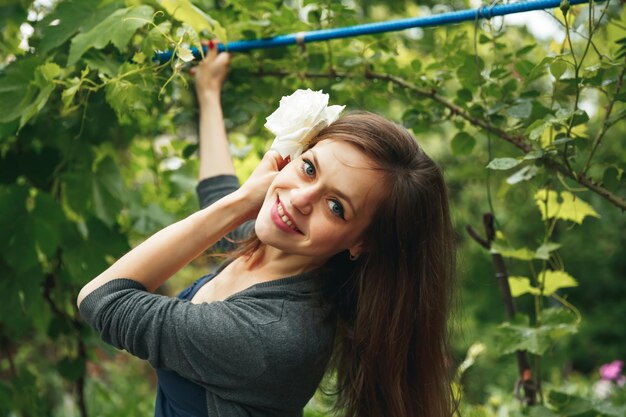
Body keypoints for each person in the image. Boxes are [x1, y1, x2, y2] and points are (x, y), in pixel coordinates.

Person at [77, 44, 457, 417]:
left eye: (336, 206)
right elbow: (217, 192)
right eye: (309, 168)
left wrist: (244, 200)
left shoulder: (275, 334)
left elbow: (103, 300)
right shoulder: (272, 251)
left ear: (362, 242)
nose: (299, 199)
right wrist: (209, 93)